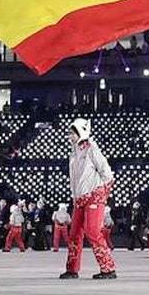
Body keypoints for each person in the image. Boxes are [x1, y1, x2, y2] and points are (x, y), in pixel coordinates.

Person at [60, 118, 117, 280]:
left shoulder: (92, 150)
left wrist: (101, 194)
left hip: (93, 197)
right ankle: (72, 269)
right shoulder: (74, 153)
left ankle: (108, 268)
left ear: (80, 132)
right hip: (79, 198)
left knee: (92, 231)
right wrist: (74, 195)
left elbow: (108, 174)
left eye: (72, 133)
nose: (69, 136)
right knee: (74, 234)